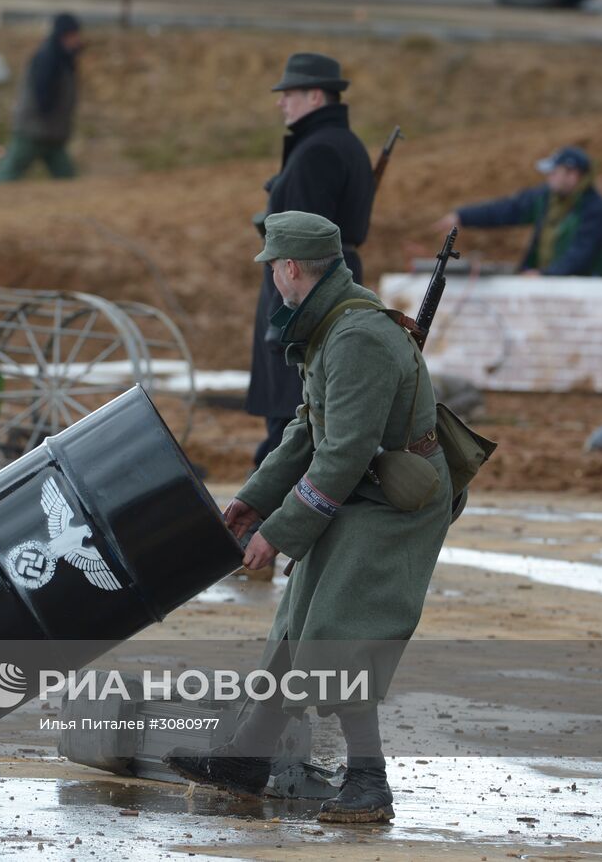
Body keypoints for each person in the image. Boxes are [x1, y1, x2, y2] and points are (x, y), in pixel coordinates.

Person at [167, 212, 451, 824]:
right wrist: (252, 501)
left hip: (394, 503)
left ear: (290, 268)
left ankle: (369, 783)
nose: (272, 277)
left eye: (273, 266)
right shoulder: (332, 324)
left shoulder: (355, 337)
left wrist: (277, 533)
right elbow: (307, 428)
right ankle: (248, 757)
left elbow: (344, 453)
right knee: (299, 621)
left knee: (337, 631)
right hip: (365, 486)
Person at [246, 52, 374, 470]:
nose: (282, 102)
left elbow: (299, 248)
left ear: (315, 96)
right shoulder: (341, 144)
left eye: (290, 93)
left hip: (305, 295)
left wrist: (283, 320)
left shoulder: (316, 150)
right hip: (325, 286)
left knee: (290, 420)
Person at [432, 145, 602, 277]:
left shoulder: (597, 212)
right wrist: (462, 216)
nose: (549, 177)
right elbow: (506, 210)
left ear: (573, 175)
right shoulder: (545, 199)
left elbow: (580, 256)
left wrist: (544, 274)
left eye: (554, 172)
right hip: (550, 282)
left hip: (585, 287)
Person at [0, 14, 83, 183]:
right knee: (7, 173)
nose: (78, 40)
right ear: (65, 34)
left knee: (66, 177)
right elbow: (42, 92)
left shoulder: (62, 56)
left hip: (51, 132)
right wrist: (46, 115)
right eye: (75, 35)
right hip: (35, 129)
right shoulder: (48, 57)